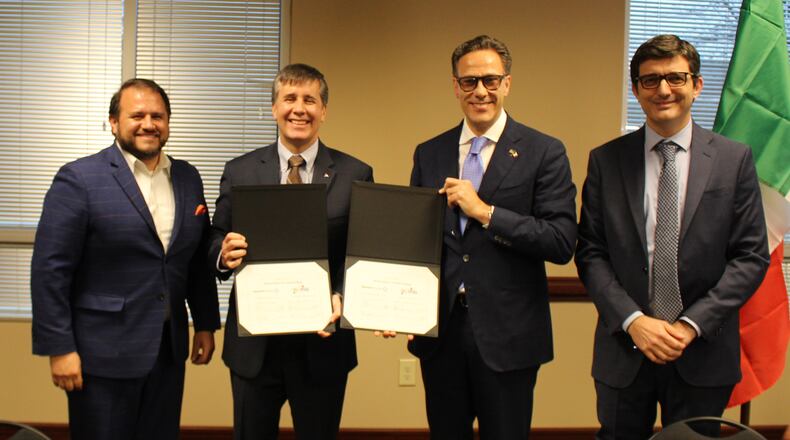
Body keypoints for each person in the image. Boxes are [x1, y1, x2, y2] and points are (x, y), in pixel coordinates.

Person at [575, 34, 769, 439]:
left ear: (697, 86)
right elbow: (591, 253)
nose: (663, 89)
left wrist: (689, 326)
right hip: (625, 349)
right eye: (650, 80)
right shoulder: (606, 160)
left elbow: (751, 257)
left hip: (702, 349)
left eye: (675, 78)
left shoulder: (734, 160)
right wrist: (634, 321)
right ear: (636, 89)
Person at [406, 35, 577, 439]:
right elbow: (418, 242)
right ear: (455, 86)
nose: (480, 91)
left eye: (490, 80)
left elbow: (560, 241)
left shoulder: (544, 151)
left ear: (507, 83)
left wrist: (486, 213)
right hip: (442, 332)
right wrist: (402, 305)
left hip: (509, 336)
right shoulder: (429, 152)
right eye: (469, 82)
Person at [31, 78, 220, 439]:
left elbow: (193, 259)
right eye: (137, 115)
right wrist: (60, 348)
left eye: (158, 116)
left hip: (168, 350)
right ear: (114, 122)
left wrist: (206, 323)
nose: (149, 124)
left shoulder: (186, 177)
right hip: (101, 355)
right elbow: (49, 269)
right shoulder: (80, 178)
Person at [211, 63, 373, 439]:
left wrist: (343, 295)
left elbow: (361, 254)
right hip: (255, 349)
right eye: (290, 99)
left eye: (310, 100)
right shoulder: (241, 171)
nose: (299, 109)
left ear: (324, 111)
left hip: (322, 346)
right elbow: (215, 236)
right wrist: (223, 252)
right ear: (274, 108)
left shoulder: (355, 173)